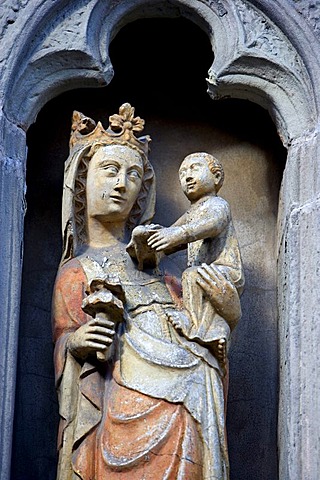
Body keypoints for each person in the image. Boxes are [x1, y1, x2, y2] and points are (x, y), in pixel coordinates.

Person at [52, 104, 243, 480]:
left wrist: (228, 305)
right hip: (120, 406)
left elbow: (205, 330)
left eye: (134, 174)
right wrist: (76, 343)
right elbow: (66, 342)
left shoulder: (165, 274)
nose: (122, 183)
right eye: (110, 171)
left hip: (185, 410)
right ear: (82, 184)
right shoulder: (76, 272)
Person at [147, 152, 244, 368]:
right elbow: (171, 235)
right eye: (183, 173)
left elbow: (213, 225)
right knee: (193, 284)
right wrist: (149, 243)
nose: (188, 176)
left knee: (191, 275)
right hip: (206, 275)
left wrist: (178, 234)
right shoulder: (193, 212)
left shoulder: (216, 205)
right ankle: (217, 334)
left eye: (195, 168)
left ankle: (192, 325)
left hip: (225, 270)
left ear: (216, 177)